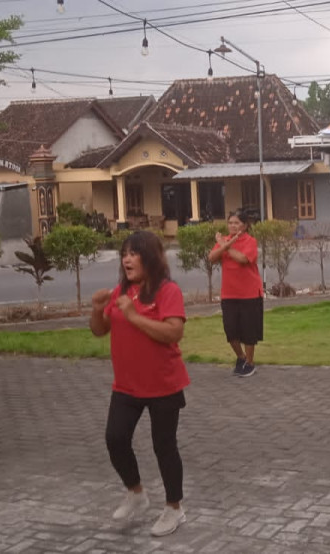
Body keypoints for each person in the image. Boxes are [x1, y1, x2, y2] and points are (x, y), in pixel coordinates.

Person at [90, 231, 190, 537]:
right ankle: (136, 492)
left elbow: (173, 333)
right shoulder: (122, 290)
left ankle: (174, 508)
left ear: (150, 257)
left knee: (164, 447)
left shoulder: (167, 290)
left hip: (164, 384)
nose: (127, 259)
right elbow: (100, 330)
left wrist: (134, 316)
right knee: (115, 438)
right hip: (127, 385)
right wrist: (96, 309)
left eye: (134, 253)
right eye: (124, 253)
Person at [208, 210, 264, 377]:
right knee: (230, 330)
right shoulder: (224, 240)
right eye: (230, 222)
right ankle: (241, 358)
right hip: (229, 293)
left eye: (236, 223)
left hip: (250, 293)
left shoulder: (250, 241)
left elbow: (242, 259)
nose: (232, 226)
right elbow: (211, 257)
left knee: (248, 331)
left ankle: (250, 363)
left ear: (245, 226)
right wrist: (223, 244)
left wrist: (225, 245)